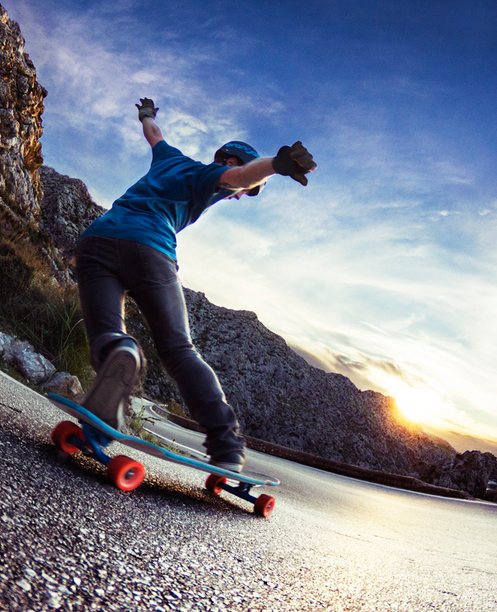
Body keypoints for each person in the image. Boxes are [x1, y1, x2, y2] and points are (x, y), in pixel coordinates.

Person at [74, 97, 316, 472]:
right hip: (149, 248)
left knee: (109, 335)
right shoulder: (212, 176)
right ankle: (226, 444)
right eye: (243, 195)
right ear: (233, 161)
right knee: (178, 350)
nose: (237, 197)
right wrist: (277, 165)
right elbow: (239, 178)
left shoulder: (169, 157)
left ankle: (119, 360)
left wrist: (147, 114)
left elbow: (154, 134)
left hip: (97, 239)